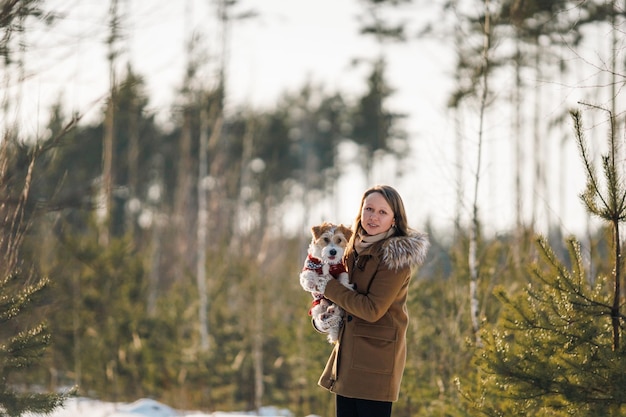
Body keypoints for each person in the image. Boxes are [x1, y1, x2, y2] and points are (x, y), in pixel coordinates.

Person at [304, 185, 430, 417]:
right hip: (347, 358)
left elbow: (372, 310)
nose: (373, 216)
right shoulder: (347, 249)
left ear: (394, 219)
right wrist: (321, 320)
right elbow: (336, 298)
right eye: (369, 208)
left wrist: (325, 285)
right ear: (360, 212)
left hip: (376, 362)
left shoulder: (396, 257)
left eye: (383, 212)